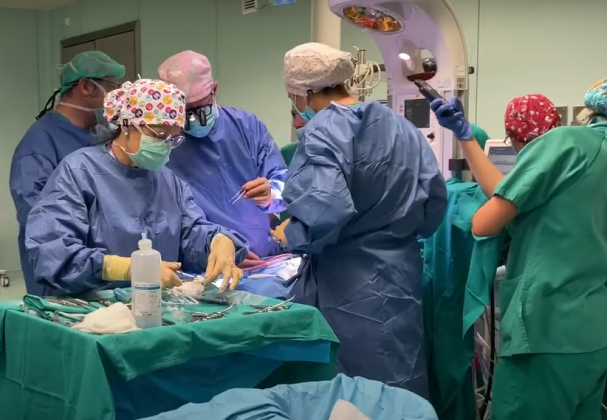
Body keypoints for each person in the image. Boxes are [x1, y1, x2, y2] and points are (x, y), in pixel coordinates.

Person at [280, 42, 448, 397]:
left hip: (349, 287)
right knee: (401, 383)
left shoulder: (324, 130)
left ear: (302, 91)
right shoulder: (400, 125)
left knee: (355, 394)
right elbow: (433, 201)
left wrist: (291, 231)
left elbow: (325, 210)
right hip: (400, 277)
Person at [431, 90, 607, 420]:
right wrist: (466, 137)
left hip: (545, 332)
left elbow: (484, 223)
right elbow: (512, 190)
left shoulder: (567, 142)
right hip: (593, 334)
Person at [25, 79, 248, 297]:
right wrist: (129, 269)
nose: (165, 146)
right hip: (92, 311)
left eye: (172, 139)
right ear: (126, 125)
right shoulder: (79, 172)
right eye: (159, 135)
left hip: (156, 307)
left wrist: (218, 241)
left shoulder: (169, 182)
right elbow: (51, 253)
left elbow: (191, 234)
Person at [11, 51, 125, 295]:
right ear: (86, 86)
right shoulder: (39, 145)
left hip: (109, 272)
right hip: (62, 278)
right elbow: (40, 223)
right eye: (111, 86)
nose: (116, 95)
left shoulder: (103, 135)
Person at [157, 51, 288, 262]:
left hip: (261, 258)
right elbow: (167, 219)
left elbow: (286, 186)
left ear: (214, 89)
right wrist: (218, 251)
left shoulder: (246, 127)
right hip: (204, 263)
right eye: (183, 113)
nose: (192, 120)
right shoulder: (164, 142)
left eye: (199, 109)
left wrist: (270, 195)